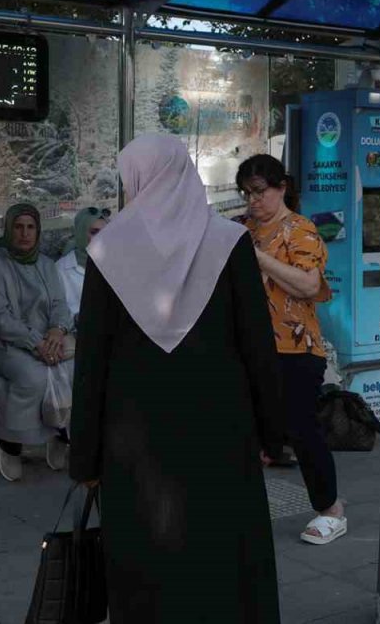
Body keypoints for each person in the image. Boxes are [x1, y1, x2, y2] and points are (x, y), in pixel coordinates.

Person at [71, 135, 284, 624]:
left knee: (148, 568)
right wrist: (273, 433)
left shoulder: (108, 251)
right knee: (222, 561)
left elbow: (92, 361)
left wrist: (84, 456)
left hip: (134, 444)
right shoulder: (228, 242)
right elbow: (258, 347)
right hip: (221, 435)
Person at [237, 153, 345, 545]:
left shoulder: (301, 230)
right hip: (250, 346)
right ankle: (244, 509)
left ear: (281, 188)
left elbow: (306, 285)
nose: (253, 201)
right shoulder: (241, 229)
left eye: (260, 192)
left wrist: (260, 259)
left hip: (296, 346)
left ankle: (331, 509)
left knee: (301, 428)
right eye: (247, 193)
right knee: (243, 428)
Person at [0, 203, 74, 481]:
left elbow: (59, 304)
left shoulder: (45, 265)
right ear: (8, 229)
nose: (24, 234)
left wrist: (57, 330)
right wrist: (36, 343)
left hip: (47, 341)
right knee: (32, 376)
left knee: (73, 369)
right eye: (18, 227)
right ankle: (10, 444)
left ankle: (60, 434)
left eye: (30, 227)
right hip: (4, 344)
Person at [54, 207, 109, 320]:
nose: (100, 238)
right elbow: (56, 311)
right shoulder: (61, 269)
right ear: (81, 233)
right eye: (94, 232)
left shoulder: (114, 265)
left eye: (105, 232)